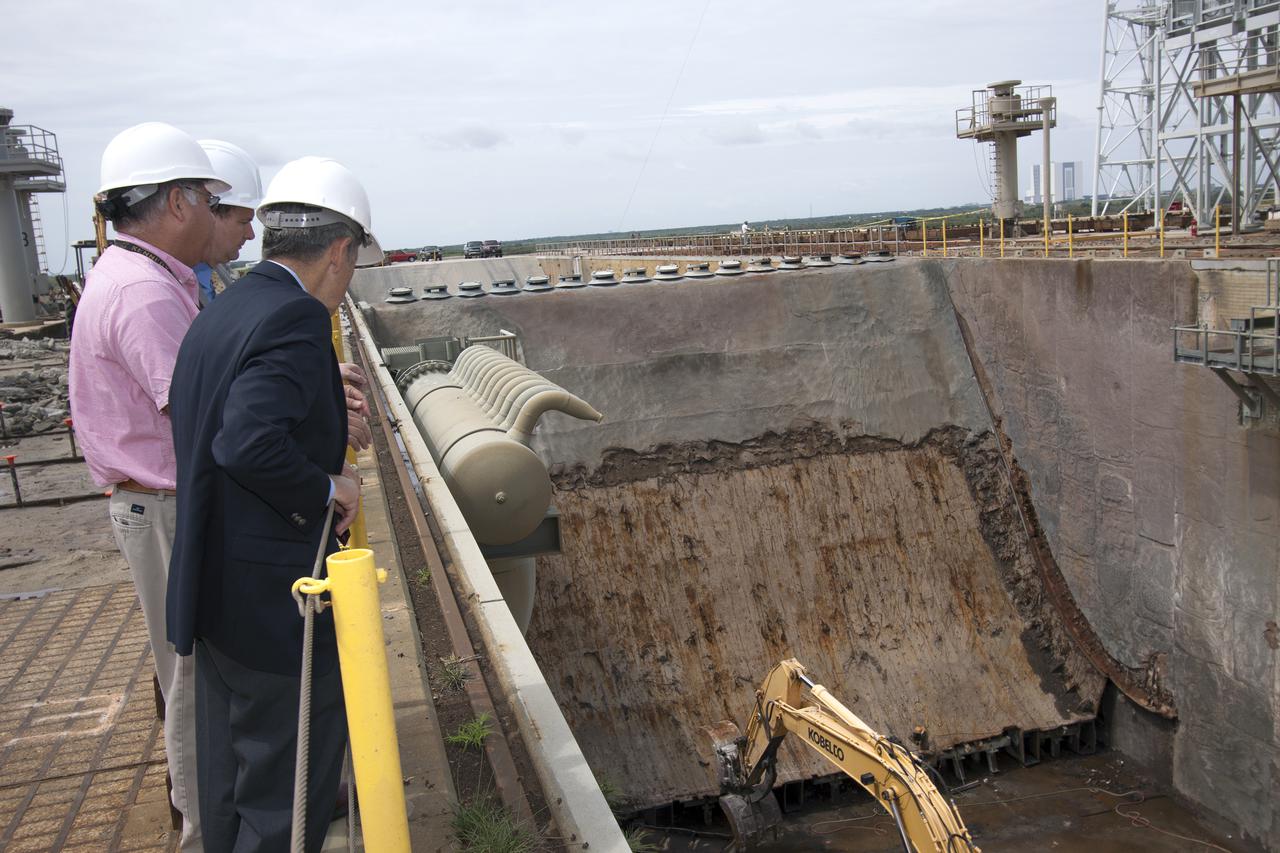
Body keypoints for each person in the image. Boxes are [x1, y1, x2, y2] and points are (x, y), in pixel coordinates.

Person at [167, 155, 382, 852]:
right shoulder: (295, 317)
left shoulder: (226, 306)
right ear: (341, 250)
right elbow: (247, 441)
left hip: (217, 593)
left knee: (228, 785)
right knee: (286, 799)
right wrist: (332, 487)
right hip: (275, 610)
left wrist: (321, 395)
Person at [68, 121, 232, 852]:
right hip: (162, 504)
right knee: (192, 677)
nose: (214, 215)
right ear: (176, 202)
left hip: (155, 499)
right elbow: (199, 409)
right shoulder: (143, 294)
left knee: (191, 671)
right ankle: (203, 834)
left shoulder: (136, 275)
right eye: (207, 198)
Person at [193, 139, 262, 306]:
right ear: (210, 213)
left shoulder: (219, 274)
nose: (250, 234)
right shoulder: (163, 285)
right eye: (243, 222)